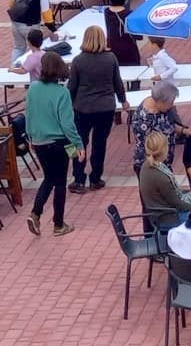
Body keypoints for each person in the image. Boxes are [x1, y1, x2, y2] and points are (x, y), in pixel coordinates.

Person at [24, 51, 82, 235]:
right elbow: (67, 124)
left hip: (40, 142)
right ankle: (58, 224)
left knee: (49, 178)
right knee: (60, 182)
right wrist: (78, 145)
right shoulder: (62, 93)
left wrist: (31, 137)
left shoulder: (33, 88)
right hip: (60, 142)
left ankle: (36, 213)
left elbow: (29, 114)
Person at [67, 23, 123, 190]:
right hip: (105, 107)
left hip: (83, 107)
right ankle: (96, 177)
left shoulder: (78, 60)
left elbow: (72, 86)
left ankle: (78, 178)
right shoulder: (111, 58)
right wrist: (123, 99)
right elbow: (117, 82)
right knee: (100, 143)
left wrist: (67, 105)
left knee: (79, 143)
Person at [138, 128, 191, 229]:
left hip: (159, 213)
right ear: (164, 150)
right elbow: (177, 204)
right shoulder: (161, 176)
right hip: (169, 218)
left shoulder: (146, 166)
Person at [130, 79, 184, 174]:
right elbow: (149, 149)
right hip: (151, 167)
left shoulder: (162, 108)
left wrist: (184, 131)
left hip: (164, 164)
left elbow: (168, 125)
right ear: (160, 101)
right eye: (170, 102)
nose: (172, 105)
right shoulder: (143, 120)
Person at [101, 0, 142, 71]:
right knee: (135, 74)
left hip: (112, 51)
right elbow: (138, 36)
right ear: (126, 0)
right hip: (129, 51)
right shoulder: (130, 15)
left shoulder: (107, 12)